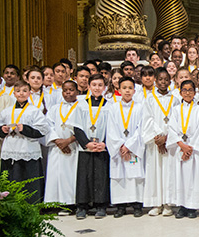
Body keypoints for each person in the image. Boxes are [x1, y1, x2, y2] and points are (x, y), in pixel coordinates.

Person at [0, 80, 50, 203]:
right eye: (18, 91)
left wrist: (25, 129)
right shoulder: (7, 111)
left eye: (24, 91)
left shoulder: (34, 111)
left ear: (30, 93)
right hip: (10, 149)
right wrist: (2, 130)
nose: (21, 94)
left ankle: (32, 205)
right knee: (12, 177)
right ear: (13, 93)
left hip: (28, 149)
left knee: (29, 179)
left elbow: (42, 130)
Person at [72, 74, 112, 219]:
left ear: (105, 88)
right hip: (86, 147)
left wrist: (105, 143)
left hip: (101, 146)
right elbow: (77, 128)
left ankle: (101, 205)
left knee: (101, 175)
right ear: (88, 86)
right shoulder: (81, 105)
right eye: (94, 85)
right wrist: (87, 143)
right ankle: (82, 206)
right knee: (85, 176)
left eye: (100, 85)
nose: (97, 88)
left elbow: (112, 127)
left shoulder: (109, 106)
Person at [142, 68, 179, 216]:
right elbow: (147, 119)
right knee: (155, 171)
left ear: (170, 81)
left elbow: (177, 120)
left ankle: (168, 204)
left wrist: (167, 137)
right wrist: (158, 136)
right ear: (155, 81)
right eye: (160, 79)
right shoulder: (149, 99)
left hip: (169, 142)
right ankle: (156, 203)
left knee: (168, 171)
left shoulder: (175, 99)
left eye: (166, 79)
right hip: (156, 142)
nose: (163, 82)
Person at [107, 77, 146, 218]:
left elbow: (140, 129)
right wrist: (120, 146)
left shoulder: (140, 107)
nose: (127, 91)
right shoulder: (113, 108)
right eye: (124, 88)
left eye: (130, 88)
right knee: (119, 176)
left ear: (135, 91)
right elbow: (110, 130)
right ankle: (120, 206)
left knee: (134, 176)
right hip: (119, 150)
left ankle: (136, 205)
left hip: (132, 149)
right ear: (119, 90)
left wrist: (129, 146)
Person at [166, 80, 199, 218]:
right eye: (185, 90)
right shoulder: (175, 110)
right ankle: (181, 206)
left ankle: (192, 206)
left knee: (193, 178)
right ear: (180, 92)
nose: (187, 93)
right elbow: (172, 128)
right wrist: (181, 145)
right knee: (179, 177)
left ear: (195, 92)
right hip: (179, 149)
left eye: (190, 90)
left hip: (192, 150)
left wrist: (190, 148)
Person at [45, 81, 80, 213]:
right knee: (56, 174)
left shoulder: (81, 107)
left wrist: (68, 140)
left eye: (71, 90)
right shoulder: (55, 108)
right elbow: (48, 125)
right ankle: (54, 203)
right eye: (65, 90)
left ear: (77, 91)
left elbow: (84, 126)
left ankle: (70, 203)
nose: (68, 93)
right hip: (57, 147)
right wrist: (57, 140)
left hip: (73, 146)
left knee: (70, 175)